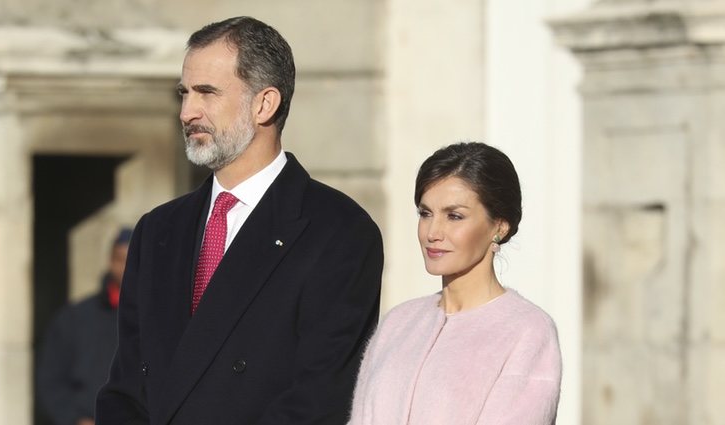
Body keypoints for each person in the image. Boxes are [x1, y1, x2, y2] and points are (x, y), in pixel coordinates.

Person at [95, 16, 384, 425]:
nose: (186, 112)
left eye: (206, 93)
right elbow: (125, 389)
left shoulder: (338, 232)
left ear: (265, 103)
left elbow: (319, 400)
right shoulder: (158, 231)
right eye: (184, 93)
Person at [348, 142, 561, 425]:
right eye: (425, 214)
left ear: (499, 226)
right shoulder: (398, 323)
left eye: (454, 216)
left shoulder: (527, 331)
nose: (433, 232)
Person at [37, 228, 132, 425]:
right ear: (110, 262)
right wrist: (75, 419)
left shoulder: (156, 315)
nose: (126, 268)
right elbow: (51, 381)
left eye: (133, 260)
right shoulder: (75, 318)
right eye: (121, 259)